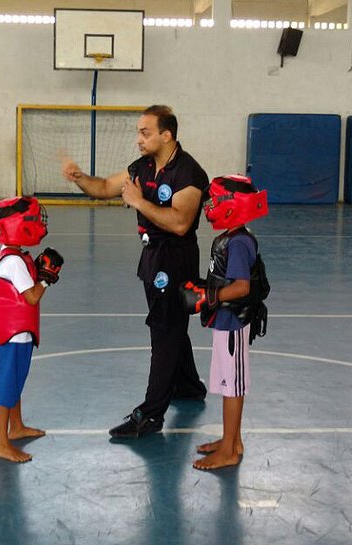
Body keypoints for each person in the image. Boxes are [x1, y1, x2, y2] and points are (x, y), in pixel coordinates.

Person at [61, 105, 208, 438]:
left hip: (176, 259)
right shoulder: (141, 168)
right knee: (170, 323)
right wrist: (80, 177)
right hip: (152, 258)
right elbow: (103, 188)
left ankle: (151, 415)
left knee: (165, 331)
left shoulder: (189, 173)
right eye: (138, 132)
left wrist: (140, 203)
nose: (138, 139)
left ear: (166, 135)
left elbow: (182, 223)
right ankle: (188, 386)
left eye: (145, 133)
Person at [180, 174, 269, 470]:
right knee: (228, 385)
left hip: (234, 325)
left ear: (233, 205)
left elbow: (242, 287)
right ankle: (233, 440)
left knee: (233, 387)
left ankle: (229, 450)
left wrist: (208, 297)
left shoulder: (240, 242)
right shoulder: (230, 238)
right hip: (225, 321)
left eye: (216, 201)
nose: (210, 206)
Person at [0, 196, 63, 462]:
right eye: (35, 220)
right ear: (19, 224)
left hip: (16, 333)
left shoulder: (9, 253)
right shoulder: (14, 261)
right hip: (12, 335)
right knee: (5, 385)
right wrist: (46, 279)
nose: (39, 224)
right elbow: (32, 297)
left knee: (14, 380)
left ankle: (15, 427)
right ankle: (0, 443)